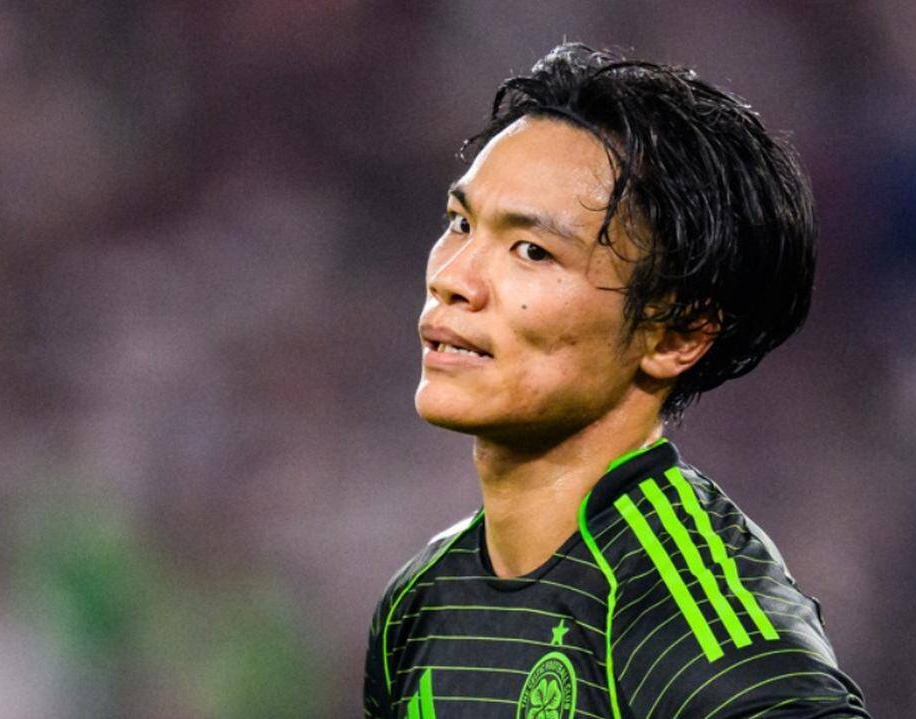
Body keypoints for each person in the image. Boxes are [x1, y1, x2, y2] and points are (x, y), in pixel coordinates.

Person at [363, 43, 869, 718]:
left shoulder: (695, 629)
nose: (453, 278)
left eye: (532, 251)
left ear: (676, 334)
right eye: (461, 223)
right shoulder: (418, 604)